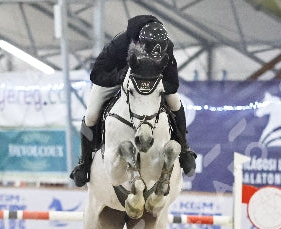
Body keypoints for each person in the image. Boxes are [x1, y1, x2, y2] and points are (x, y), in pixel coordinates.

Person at [69, 15, 197, 187]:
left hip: (151, 83)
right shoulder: (120, 44)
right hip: (114, 80)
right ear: (140, 45)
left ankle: (185, 150)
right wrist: (119, 77)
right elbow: (96, 74)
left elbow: (173, 83)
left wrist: (156, 84)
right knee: (91, 115)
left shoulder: (167, 46)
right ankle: (84, 162)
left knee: (175, 103)